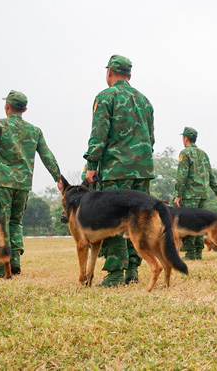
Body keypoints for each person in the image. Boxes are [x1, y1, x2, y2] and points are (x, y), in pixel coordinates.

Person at [83, 54, 154, 286]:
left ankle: (114, 274)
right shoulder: (144, 100)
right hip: (142, 170)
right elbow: (151, 139)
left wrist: (92, 165)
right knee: (139, 221)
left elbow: (99, 135)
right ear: (129, 76)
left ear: (109, 73)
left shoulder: (105, 97)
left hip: (116, 169)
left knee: (113, 220)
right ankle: (133, 269)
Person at [0, 91, 61, 277]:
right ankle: (14, 261)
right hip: (23, 185)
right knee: (15, 222)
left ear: (7, 106)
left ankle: (0, 265)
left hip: (0, 182)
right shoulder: (35, 131)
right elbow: (47, 155)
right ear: (25, 109)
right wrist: (58, 178)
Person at [174, 127, 217, 260]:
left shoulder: (185, 153)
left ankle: (191, 252)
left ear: (185, 138)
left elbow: (182, 176)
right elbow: (210, 175)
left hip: (189, 195)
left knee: (189, 223)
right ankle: (198, 251)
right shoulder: (203, 154)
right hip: (203, 195)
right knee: (199, 223)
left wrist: (178, 194)